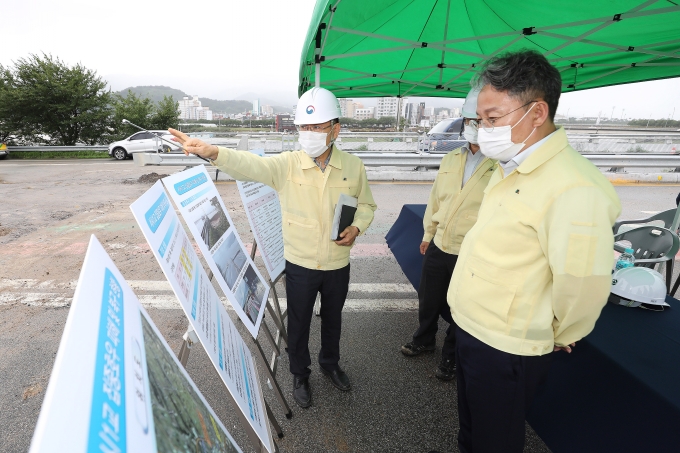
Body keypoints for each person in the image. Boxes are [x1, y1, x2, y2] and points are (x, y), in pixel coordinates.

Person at [447, 50, 621, 452]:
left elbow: (582, 284)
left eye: (493, 119)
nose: (484, 129)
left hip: (508, 345)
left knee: (496, 441)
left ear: (537, 112)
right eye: (481, 120)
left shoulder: (575, 187)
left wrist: (559, 332)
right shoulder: (510, 164)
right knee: (471, 431)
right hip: (473, 328)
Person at [168, 87, 377, 409]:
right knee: (299, 321)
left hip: (337, 261)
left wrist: (357, 226)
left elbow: (366, 205)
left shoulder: (353, 166)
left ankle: (330, 363)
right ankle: (299, 373)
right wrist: (212, 152)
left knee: (333, 318)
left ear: (335, 129)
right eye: (304, 127)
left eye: (317, 126)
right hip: (300, 262)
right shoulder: (287, 165)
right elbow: (250, 165)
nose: (309, 134)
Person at [400, 86, 496, 381]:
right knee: (429, 298)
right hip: (441, 242)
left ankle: (451, 356)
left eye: (480, 122)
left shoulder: (502, 163)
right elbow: (435, 200)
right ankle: (424, 339)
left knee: (460, 307)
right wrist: (428, 234)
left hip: (472, 250)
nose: (474, 127)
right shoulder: (452, 157)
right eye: (470, 121)